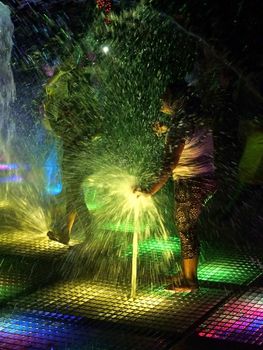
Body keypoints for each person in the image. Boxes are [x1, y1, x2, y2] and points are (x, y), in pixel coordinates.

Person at [136, 81, 217, 292]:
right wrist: (166, 129)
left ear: (176, 99)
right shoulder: (192, 116)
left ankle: (190, 279)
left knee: (186, 228)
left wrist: (150, 189)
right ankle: (186, 272)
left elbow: (169, 164)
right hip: (205, 178)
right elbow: (191, 135)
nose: (161, 98)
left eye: (165, 94)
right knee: (187, 227)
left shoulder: (180, 125)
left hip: (191, 181)